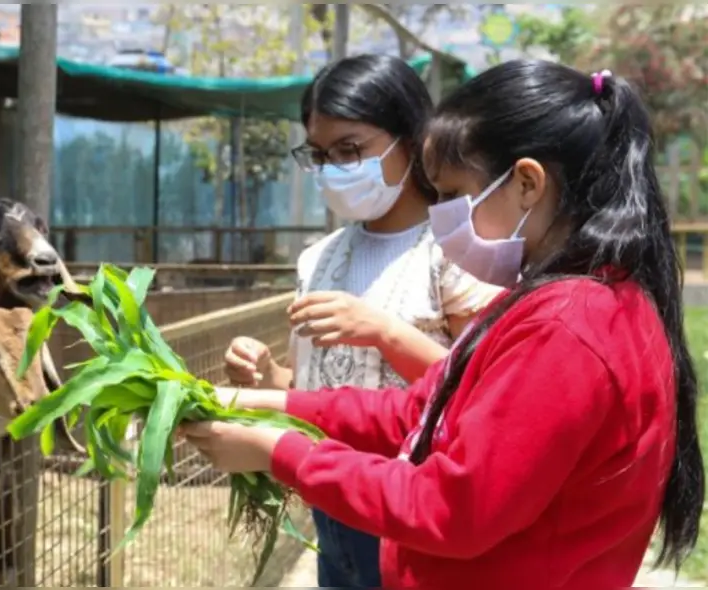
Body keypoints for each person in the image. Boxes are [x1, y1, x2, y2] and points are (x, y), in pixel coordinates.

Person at [186, 59, 705, 587]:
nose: (443, 217)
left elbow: (450, 507)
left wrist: (281, 452)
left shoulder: (568, 327)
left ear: (527, 183)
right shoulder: (553, 300)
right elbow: (420, 408)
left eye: (454, 195)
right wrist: (267, 405)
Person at [223, 54, 502, 588]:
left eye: (350, 150)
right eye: (320, 154)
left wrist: (385, 332)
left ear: (412, 138)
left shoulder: (457, 254)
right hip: (331, 504)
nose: (333, 168)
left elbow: (481, 394)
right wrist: (264, 379)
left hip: (411, 514)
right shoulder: (319, 259)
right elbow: (310, 388)